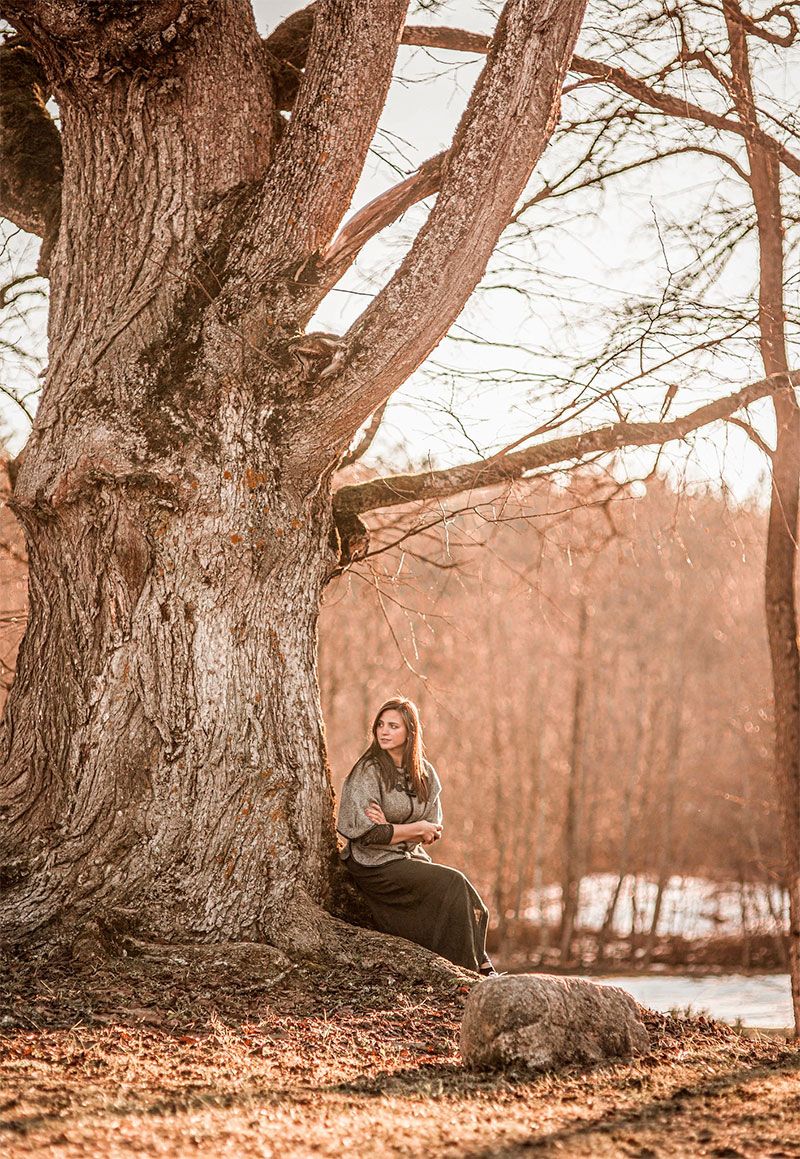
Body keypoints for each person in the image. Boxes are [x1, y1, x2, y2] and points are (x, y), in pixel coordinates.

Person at [336, 696, 497, 975]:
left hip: (410, 857)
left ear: (410, 732)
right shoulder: (368, 771)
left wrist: (397, 830)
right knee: (453, 883)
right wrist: (413, 829)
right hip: (373, 864)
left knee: (471, 902)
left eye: (393, 726)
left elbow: (433, 830)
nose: (384, 732)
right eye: (381, 725)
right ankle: (470, 970)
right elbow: (368, 834)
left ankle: (478, 962)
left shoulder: (425, 773)